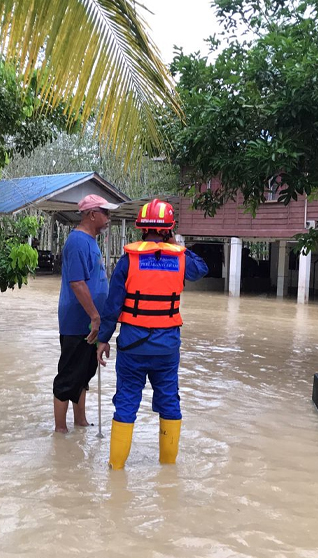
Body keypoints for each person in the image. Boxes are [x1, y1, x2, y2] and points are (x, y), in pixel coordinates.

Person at [96, 199, 208, 469]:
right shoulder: (180, 259)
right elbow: (202, 268)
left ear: (141, 229)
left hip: (132, 346)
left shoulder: (128, 261)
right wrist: (176, 245)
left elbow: (113, 305)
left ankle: (116, 468)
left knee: (126, 402)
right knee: (169, 401)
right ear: (169, 229)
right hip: (167, 348)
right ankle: (168, 469)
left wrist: (103, 339)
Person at [54, 194, 118, 433]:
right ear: (93, 214)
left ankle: (79, 421)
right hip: (79, 322)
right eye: (106, 213)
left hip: (91, 322)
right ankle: (60, 429)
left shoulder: (90, 241)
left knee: (83, 373)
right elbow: (77, 283)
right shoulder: (78, 242)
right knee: (69, 374)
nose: (109, 218)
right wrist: (94, 316)